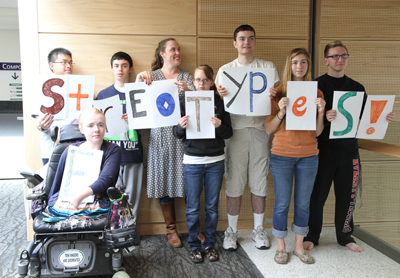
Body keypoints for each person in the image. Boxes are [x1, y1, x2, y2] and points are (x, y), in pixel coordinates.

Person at [303, 40, 395, 253]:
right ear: (326, 60)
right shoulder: (317, 86)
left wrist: (383, 117)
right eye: (335, 56)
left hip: (349, 151)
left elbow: (367, 118)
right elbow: (306, 121)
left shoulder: (357, 88)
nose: (340, 60)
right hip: (323, 150)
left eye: (343, 55)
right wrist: (323, 117)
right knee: (317, 196)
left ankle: (345, 236)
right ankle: (312, 235)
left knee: (347, 196)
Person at [215, 24, 279, 250]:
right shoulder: (225, 70)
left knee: (259, 181)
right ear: (235, 43)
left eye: (250, 38)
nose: (246, 42)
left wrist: (274, 94)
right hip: (235, 133)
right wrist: (219, 95)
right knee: (234, 182)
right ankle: (231, 231)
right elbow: (217, 107)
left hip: (262, 131)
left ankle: (258, 229)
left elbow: (277, 101)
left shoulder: (267, 67)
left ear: (254, 42)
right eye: (241, 38)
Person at [265, 48, 325, 264]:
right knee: (282, 203)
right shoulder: (277, 92)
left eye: (303, 62)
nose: (299, 67)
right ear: (288, 66)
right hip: (282, 155)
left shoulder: (316, 93)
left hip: (309, 155)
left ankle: (299, 246)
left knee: (303, 203)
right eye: (294, 63)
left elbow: (318, 132)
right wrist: (280, 112)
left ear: (308, 66)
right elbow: (269, 129)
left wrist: (320, 112)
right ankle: (281, 246)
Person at [136, 38, 195, 248]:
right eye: (173, 50)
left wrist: (189, 91)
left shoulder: (187, 76)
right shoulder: (151, 77)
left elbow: (200, 104)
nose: (177, 52)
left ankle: (194, 230)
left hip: (185, 137)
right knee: (164, 183)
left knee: (190, 184)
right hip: (160, 137)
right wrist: (138, 79)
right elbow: (138, 104)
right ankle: (171, 230)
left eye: (179, 49)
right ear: (162, 53)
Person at [173, 65, 233, 263]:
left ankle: (209, 244)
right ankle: (194, 245)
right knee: (192, 208)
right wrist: (181, 127)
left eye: (205, 80)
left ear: (212, 82)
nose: (201, 83)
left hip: (216, 161)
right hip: (192, 161)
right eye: (198, 80)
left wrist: (220, 126)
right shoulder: (185, 101)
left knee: (212, 207)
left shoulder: (220, 102)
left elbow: (229, 133)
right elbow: (177, 133)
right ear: (193, 82)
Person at [46, 108, 121, 217]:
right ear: (81, 129)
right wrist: (52, 200)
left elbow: (105, 179)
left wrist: (80, 196)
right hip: (68, 198)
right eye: (90, 126)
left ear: (105, 127)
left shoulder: (113, 150)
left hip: (96, 200)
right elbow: (59, 180)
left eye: (100, 125)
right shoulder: (70, 150)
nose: (96, 129)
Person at [96, 52, 144, 221]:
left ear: (130, 69)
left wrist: (134, 120)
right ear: (111, 69)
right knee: (112, 198)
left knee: (133, 199)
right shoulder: (103, 95)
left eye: (124, 65)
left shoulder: (139, 92)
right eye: (116, 66)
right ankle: (115, 232)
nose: (120, 69)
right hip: (110, 155)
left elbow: (149, 123)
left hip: (133, 152)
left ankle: (130, 233)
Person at [33, 48, 76, 165]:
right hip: (51, 149)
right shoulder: (41, 88)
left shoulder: (80, 86)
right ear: (52, 65)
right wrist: (42, 125)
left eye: (70, 62)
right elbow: (38, 122)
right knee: (52, 183)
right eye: (64, 62)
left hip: (78, 147)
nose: (68, 65)